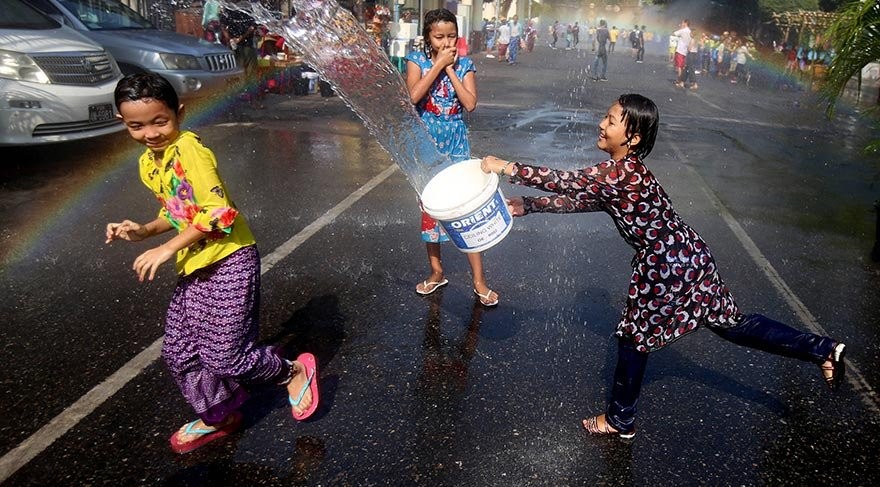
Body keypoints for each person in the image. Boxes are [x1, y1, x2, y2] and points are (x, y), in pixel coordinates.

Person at [480, 93, 846, 439]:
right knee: (731, 323)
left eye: (610, 120)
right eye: (605, 117)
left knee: (634, 337)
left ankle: (620, 418)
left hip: (665, 265)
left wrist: (507, 167)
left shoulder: (619, 173)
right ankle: (820, 348)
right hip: (690, 255)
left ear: (632, 137)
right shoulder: (625, 172)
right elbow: (590, 200)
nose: (601, 124)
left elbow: (567, 182)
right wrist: (530, 205)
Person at [107, 73, 320, 454]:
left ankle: (293, 372)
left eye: (160, 121)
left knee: (227, 356)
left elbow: (219, 211)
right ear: (124, 123)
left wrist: (168, 248)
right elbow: (177, 211)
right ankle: (219, 416)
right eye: (137, 126)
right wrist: (142, 231)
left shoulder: (190, 149)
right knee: (179, 351)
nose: (151, 133)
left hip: (229, 258)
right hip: (195, 266)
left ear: (179, 113)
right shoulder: (148, 163)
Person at [405, 8, 499, 307]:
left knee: (464, 209)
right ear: (428, 38)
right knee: (431, 208)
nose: (446, 42)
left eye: (451, 36)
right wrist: (437, 66)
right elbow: (412, 97)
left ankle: (479, 280)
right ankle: (436, 271)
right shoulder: (416, 61)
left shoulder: (465, 64)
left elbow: (470, 103)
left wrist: (449, 69)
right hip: (427, 144)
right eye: (439, 37)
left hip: (456, 142)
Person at [672, 19, 691, 87]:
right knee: (682, 67)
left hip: (680, 50)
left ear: (685, 23)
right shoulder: (690, 31)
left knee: (679, 67)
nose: (681, 23)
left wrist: (680, 27)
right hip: (685, 52)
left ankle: (679, 81)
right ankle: (681, 80)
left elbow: (674, 33)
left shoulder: (683, 30)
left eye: (682, 23)